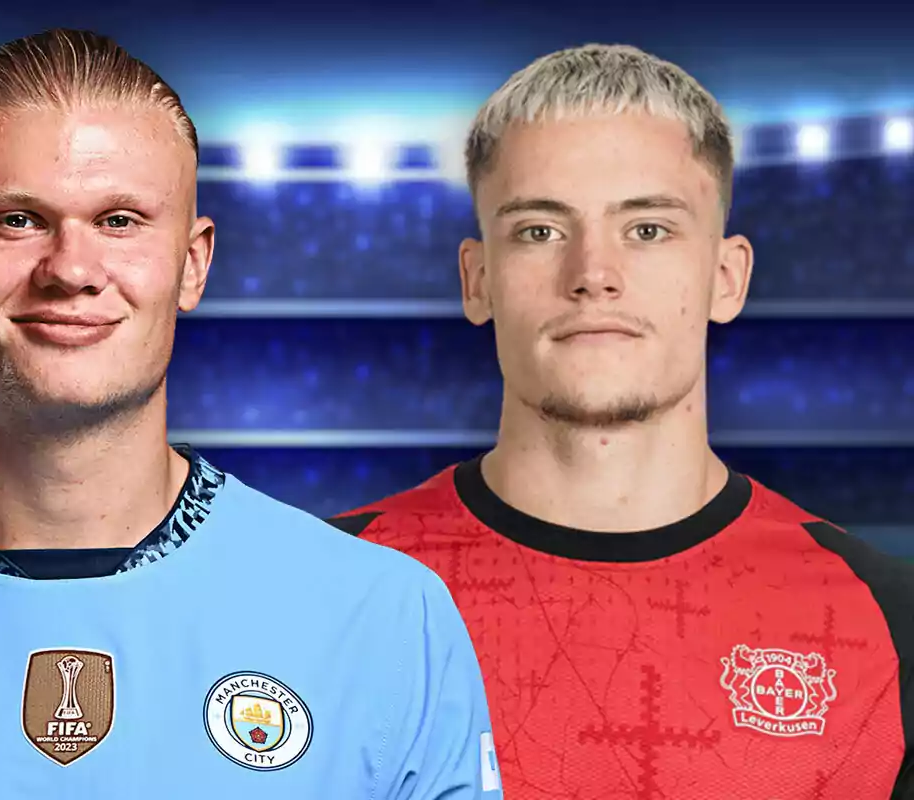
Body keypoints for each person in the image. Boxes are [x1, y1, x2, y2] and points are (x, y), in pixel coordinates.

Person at [0, 29, 501, 799]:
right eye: (17, 220)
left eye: (119, 220)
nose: (72, 270)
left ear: (192, 264)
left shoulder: (386, 620)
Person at [331, 44, 913, 798]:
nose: (592, 274)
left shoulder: (887, 619)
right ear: (477, 280)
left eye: (648, 229)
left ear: (727, 277)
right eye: (540, 230)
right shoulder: (327, 588)